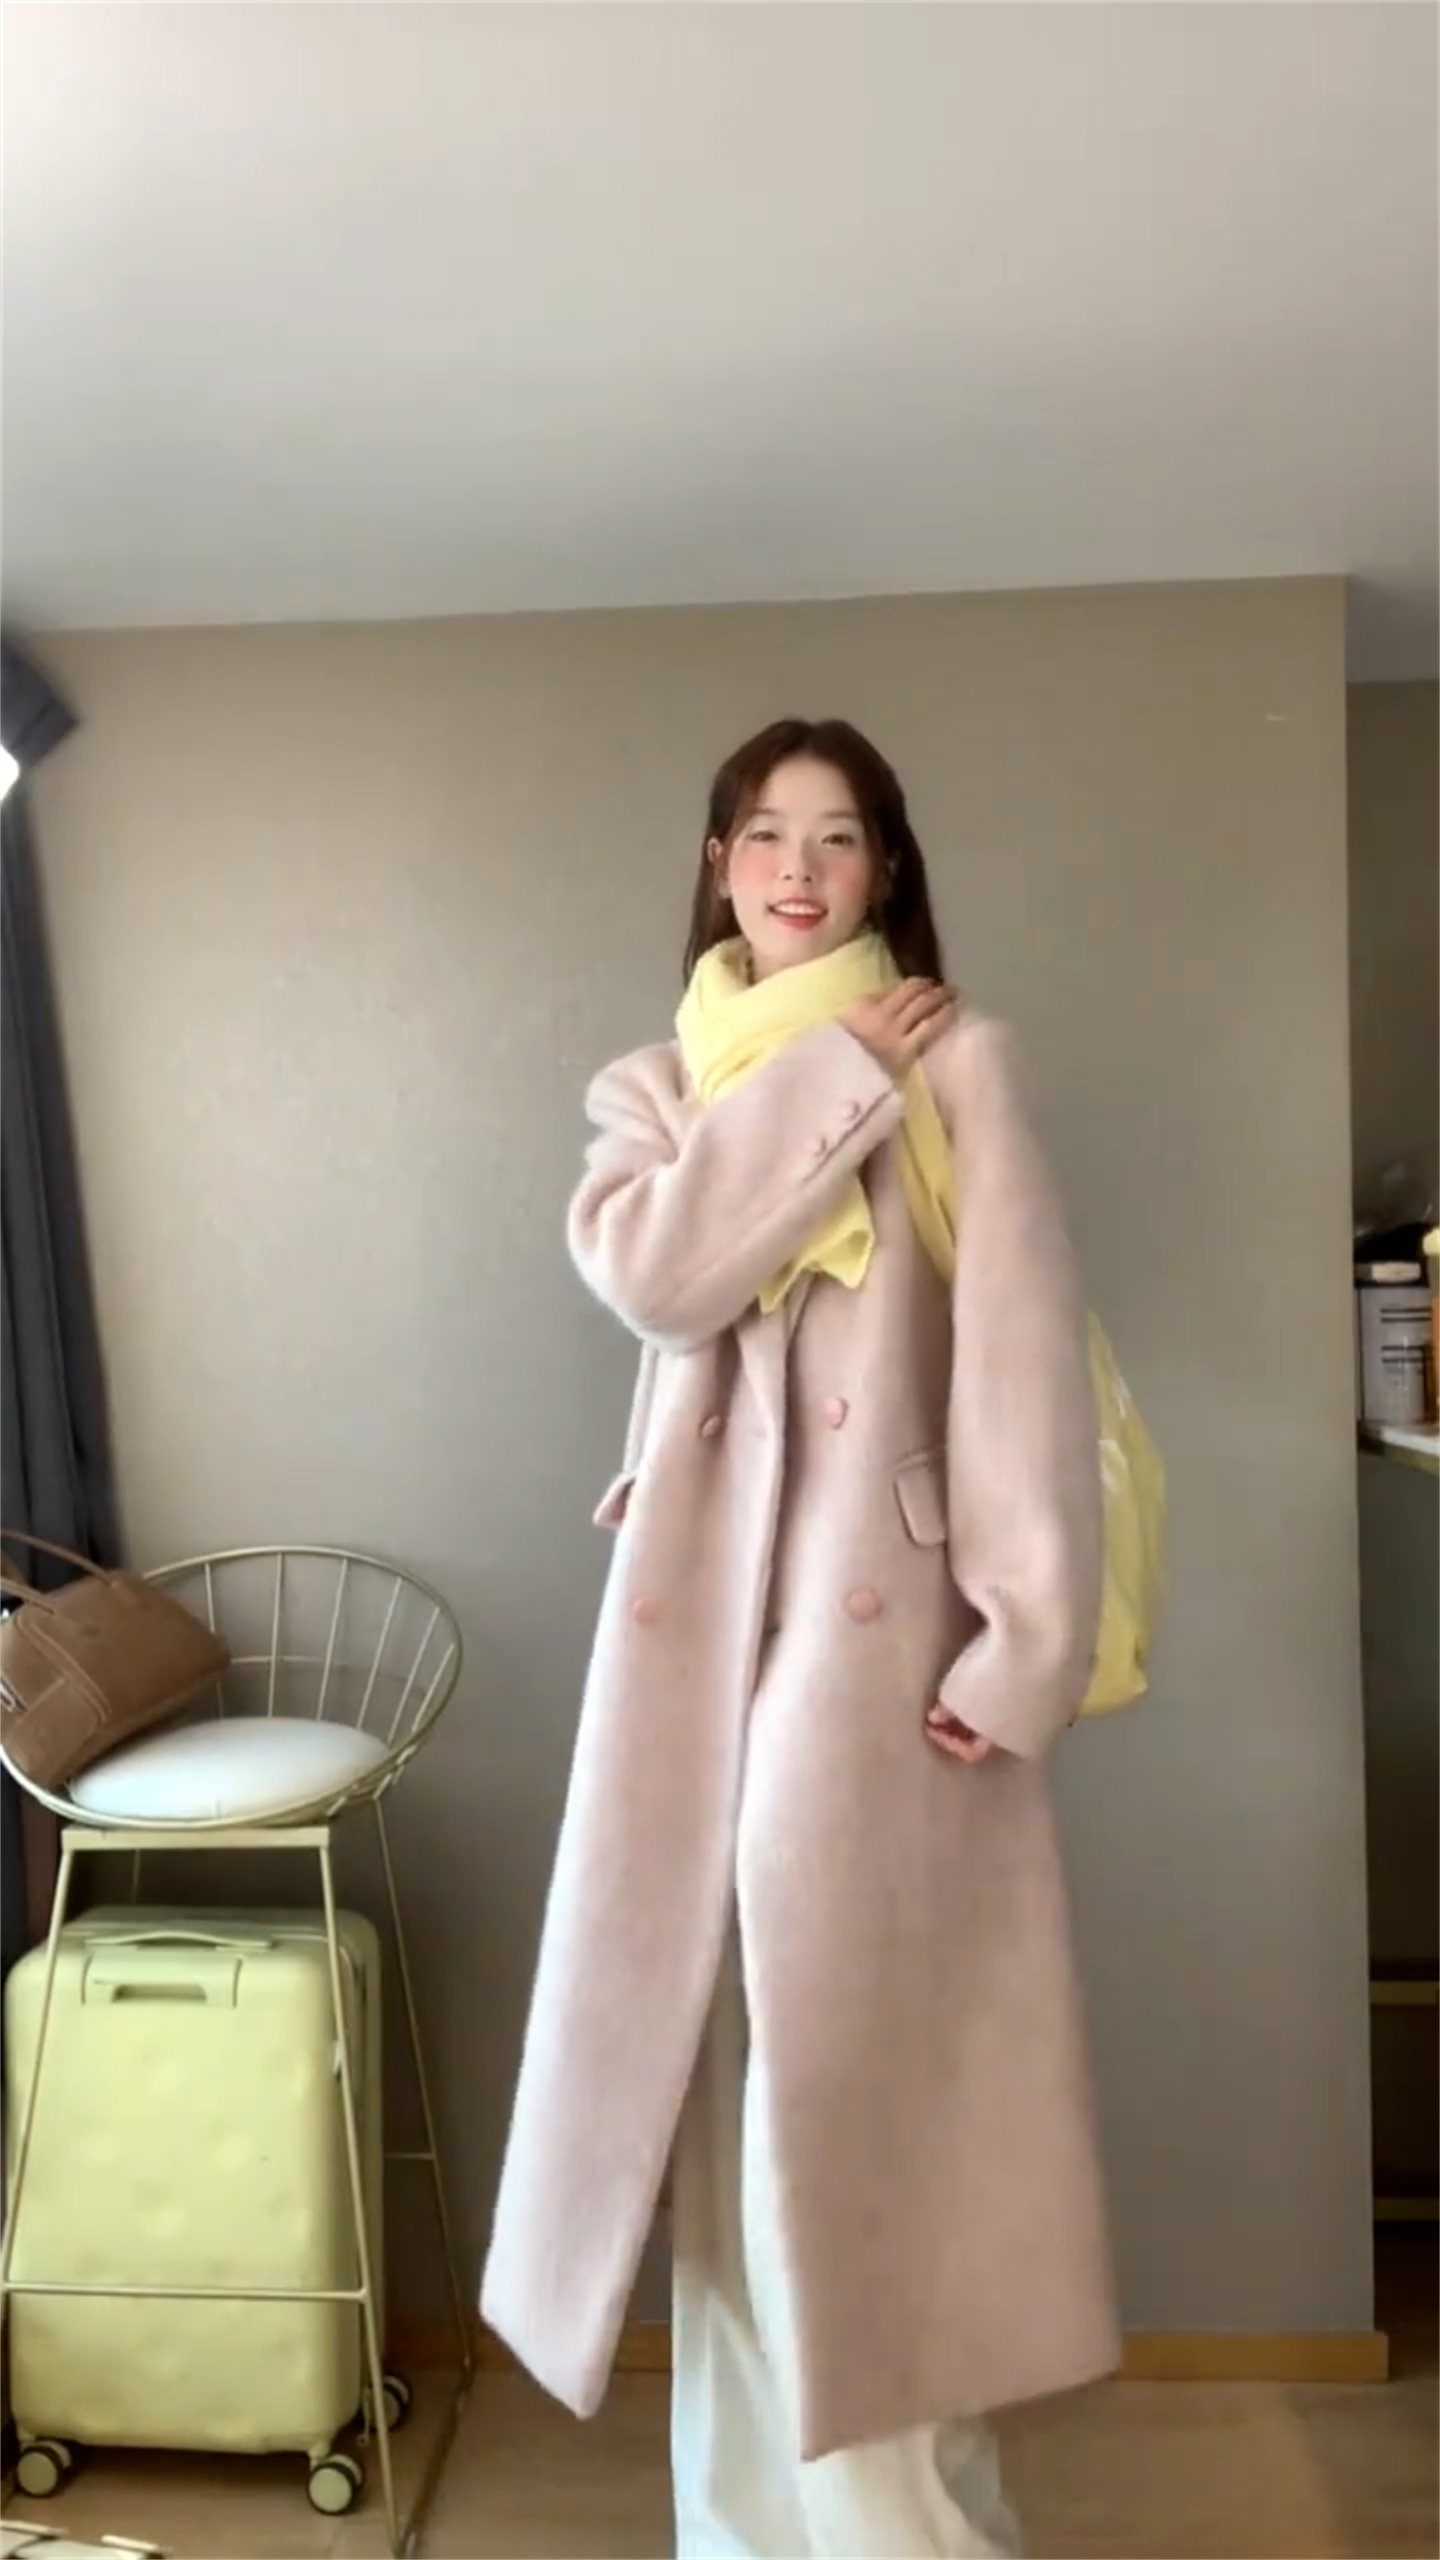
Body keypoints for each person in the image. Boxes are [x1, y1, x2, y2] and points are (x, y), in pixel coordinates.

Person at [483, 718, 1120, 2558]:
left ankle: (908, 2534)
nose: (797, 870)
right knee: (719, 2106)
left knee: (851, 2120)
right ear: (718, 863)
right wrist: (835, 1069)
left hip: (879, 1645)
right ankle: (752, 2530)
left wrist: (1025, 1643)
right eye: (765, 834)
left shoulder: (962, 1061)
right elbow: (663, 1276)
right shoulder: (659, 1090)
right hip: (696, 1646)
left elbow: (1018, 1358)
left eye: (838, 839)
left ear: (885, 868)